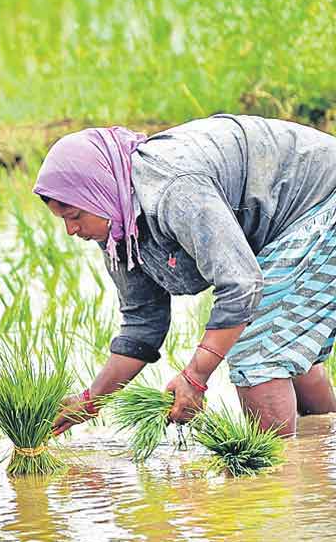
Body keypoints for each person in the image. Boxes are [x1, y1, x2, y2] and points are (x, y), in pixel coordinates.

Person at [37, 114, 336, 437]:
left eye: (75, 216)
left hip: (321, 198)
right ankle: (321, 451)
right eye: (62, 220)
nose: (70, 230)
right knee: (283, 345)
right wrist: (91, 401)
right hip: (286, 219)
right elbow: (142, 324)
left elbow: (241, 284)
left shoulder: (173, 189)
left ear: (98, 192)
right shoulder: (118, 227)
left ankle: (274, 477)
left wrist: (195, 377)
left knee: (259, 352)